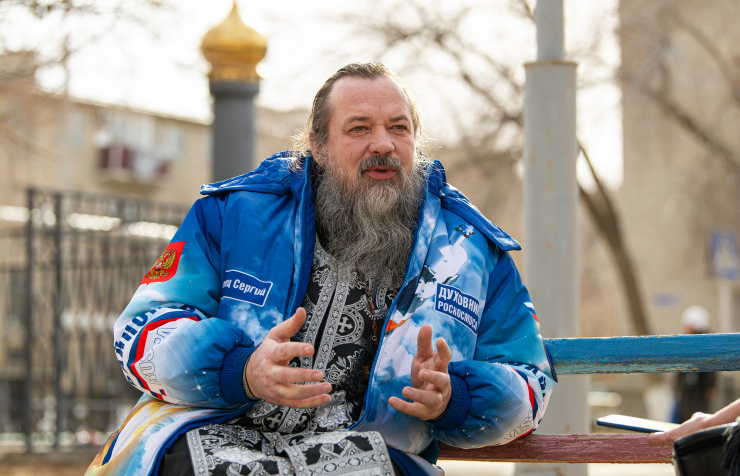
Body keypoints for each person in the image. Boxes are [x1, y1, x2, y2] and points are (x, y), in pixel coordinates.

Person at [86, 63, 556, 476]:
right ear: (318, 145)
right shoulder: (233, 214)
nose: (383, 144)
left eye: (399, 127)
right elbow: (142, 330)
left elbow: (529, 381)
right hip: (217, 432)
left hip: (368, 453)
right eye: (358, 128)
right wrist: (240, 370)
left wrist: (457, 399)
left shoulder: (470, 248)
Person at [672, 306, 717, 423]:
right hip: (686, 387)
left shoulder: (706, 341)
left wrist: (710, 385)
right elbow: (680, 365)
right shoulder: (685, 340)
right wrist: (677, 385)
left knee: (698, 415)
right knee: (684, 415)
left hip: (700, 387)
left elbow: (711, 367)